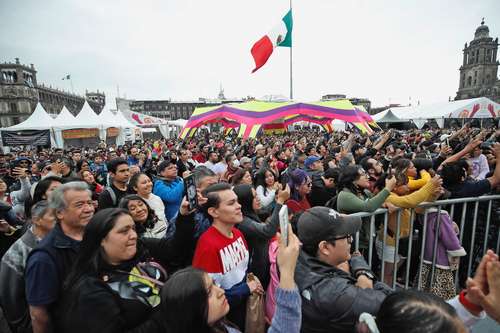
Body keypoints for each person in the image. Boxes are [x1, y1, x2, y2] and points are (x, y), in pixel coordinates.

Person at [56, 202, 196, 333]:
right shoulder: (90, 291)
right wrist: (170, 312)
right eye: (124, 231)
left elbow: (175, 249)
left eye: (133, 228)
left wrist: (185, 217)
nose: (134, 235)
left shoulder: (140, 250)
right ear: (101, 240)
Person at [159, 223, 302, 333]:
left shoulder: (237, 233)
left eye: (214, 284)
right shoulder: (208, 245)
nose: (220, 291)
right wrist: (287, 273)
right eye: (209, 292)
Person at [294, 206, 392, 333]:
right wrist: (361, 270)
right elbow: (391, 303)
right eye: (347, 237)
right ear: (325, 247)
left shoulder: (297, 260)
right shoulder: (335, 293)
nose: (350, 241)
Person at [25, 182, 95, 333]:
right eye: (79, 205)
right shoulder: (43, 258)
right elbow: (39, 315)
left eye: (90, 202)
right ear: (59, 213)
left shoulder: (96, 236)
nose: (89, 209)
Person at [192, 183, 264, 329]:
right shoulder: (208, 246)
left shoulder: (238, 233)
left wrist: (251, 281)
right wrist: (246, 288)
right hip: (227, 317)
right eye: (231, 203)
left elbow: (243, 268)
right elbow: (208, 299)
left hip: (244, 305)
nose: (239, 206)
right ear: (214, 212)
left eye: (237, 201)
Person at [0, 201, 55, 333]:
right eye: (54, 216)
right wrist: (26, 326)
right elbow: (11, 299)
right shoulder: (18, 253)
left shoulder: (56, 241)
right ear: (37, 220)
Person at [233, 183, 290, 289]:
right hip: (257, 272)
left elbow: (266, 211)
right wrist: (280, 201)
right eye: (254, 197)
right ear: (245, 201)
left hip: (263, 263)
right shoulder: (244, 222)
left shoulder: (251, 213)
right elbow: (268, 231)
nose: (258, 198)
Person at [336, 166, 396, 255]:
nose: (368, 177)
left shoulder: (365, 192)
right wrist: (387, 189)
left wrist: (384, 204)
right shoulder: (344, 195)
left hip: (368, 240)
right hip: (354, 245)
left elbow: (375, 202)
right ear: (353, 180)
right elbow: (369, 207)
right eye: (363, 175)